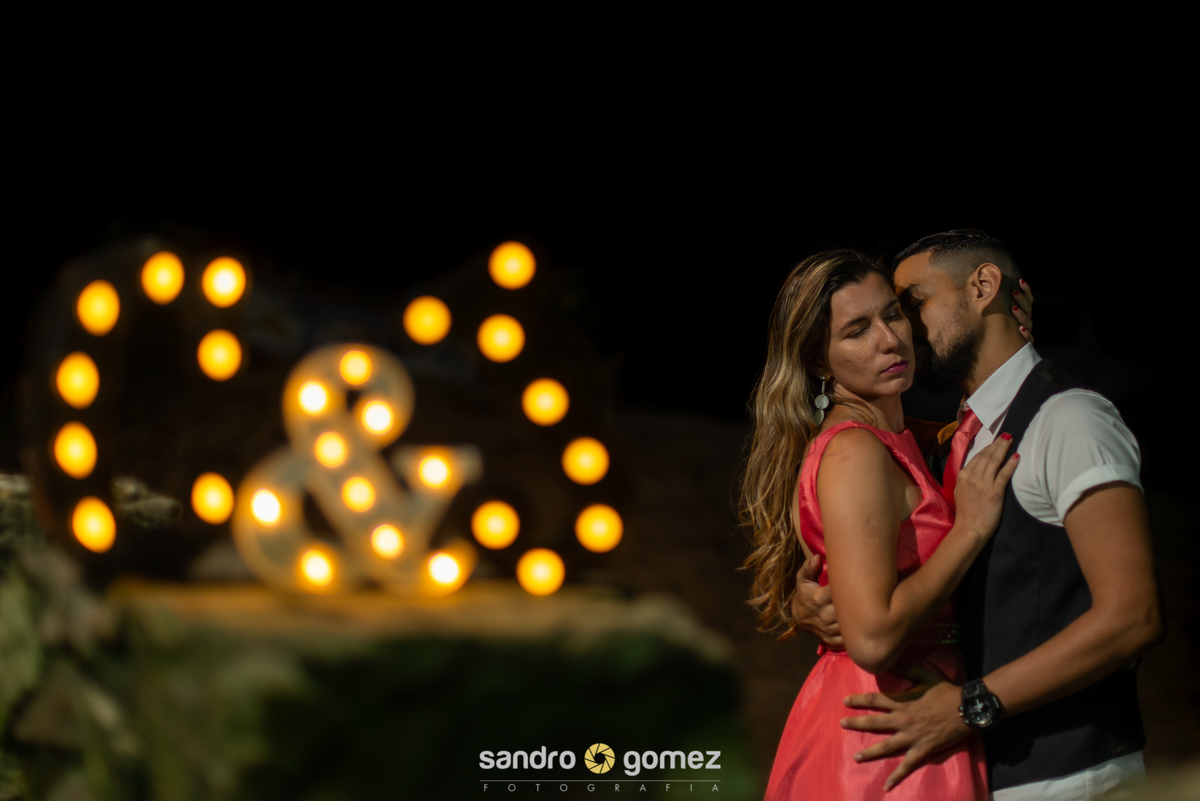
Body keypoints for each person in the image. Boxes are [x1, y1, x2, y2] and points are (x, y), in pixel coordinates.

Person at [791, 230, 1163, 800]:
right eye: (867, 324)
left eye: (907, 307)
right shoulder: (942, 443)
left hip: (1069, 775)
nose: (900, 334)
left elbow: (1133, 616)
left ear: (984, 286)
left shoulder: (1068, 420)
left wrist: (970, 706)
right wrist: (815, 601)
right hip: (974, 768)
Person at [741, 248, 1022, 800]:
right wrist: (968, 531)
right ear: (819, 360)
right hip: (883, 735)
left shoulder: (899, 437)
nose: (890, 341)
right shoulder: (856, 454)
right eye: (855, 331)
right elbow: (870, 639)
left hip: (911, 714)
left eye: (892, 315)